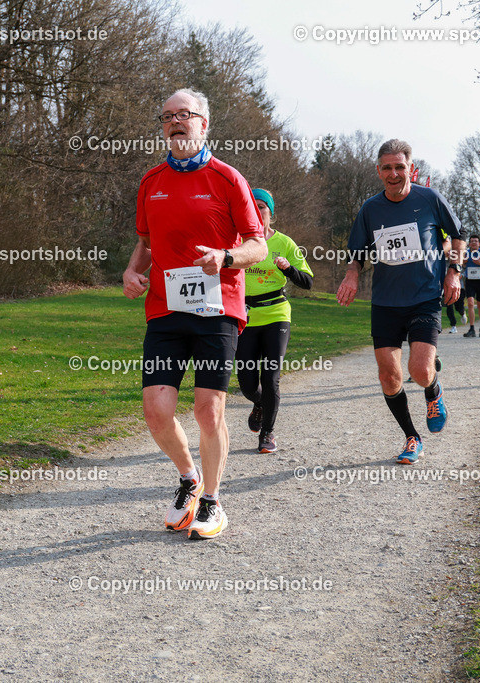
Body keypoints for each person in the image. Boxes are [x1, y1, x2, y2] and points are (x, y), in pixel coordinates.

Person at [123, 88, 267, 540]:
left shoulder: (227, 178)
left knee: (208, 410)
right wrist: (131, 270)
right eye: (167, 116)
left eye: (184, 114)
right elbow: (146, 242)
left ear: (204, 124)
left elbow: (258, 245)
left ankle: (213, 501)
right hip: (165, 308)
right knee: (156, 410)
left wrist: (225, 257)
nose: (174, 121)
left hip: (218, 307)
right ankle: (190, 478)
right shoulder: (151, 181)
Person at [336, 139, 465, 465]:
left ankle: (433, 391)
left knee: (420, 370)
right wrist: (351, 275)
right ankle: (411, 437)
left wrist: (454, 272)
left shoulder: (430, 198)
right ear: (378, 171)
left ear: (411, 169)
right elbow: (357, 252)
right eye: (387, 168)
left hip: (424, 298)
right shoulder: (370, 209)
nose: (393, 174)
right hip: (385, 302)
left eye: (399, 167)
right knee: (388, 377)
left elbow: (458, 235)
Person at [236, 189, 313, 454]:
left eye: (262, 207)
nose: (257, 211)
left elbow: (308, 281)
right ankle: (260, 403)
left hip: (276, 314)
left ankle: (267, 433)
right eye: (252, 206)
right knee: (247, 383)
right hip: (244, 315)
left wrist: (288, 269)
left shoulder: (285, 243)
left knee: (270, 377)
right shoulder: (236, 241)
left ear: (271, 213)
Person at [463, 234, 480, 337]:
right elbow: (460, 264)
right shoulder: (466, 253)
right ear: (469, 244)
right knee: (470, 303)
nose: (474, 242)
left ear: (479, 243)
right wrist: (463, 262)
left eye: (476, 241)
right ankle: (472, 328)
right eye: (472, 241)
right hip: (469, 280)